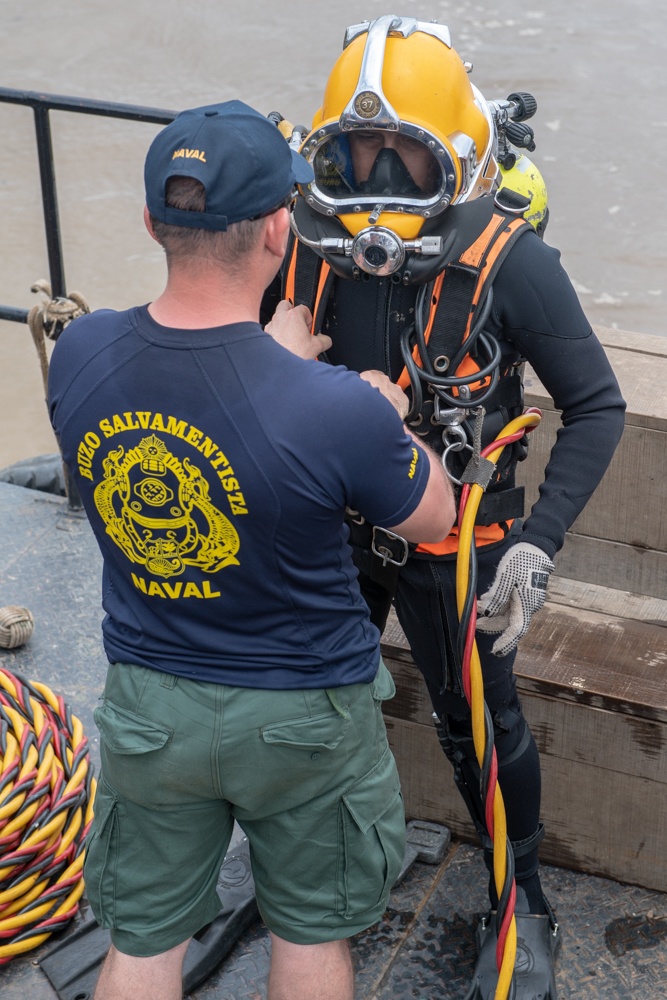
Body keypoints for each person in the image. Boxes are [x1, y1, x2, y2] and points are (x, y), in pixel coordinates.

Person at [47, 100, 456, 1000]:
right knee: (310, 937)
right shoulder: (329, 406)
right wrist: (383, 416)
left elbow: (189, 400)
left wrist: (273, 364)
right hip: (302, 717)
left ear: (151, 219)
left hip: (151, 710)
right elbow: (433, 516)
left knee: (144, 941)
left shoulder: (77, 352)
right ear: (280, 230)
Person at [262, 15, 626, 1000]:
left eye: (403, 164)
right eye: (353, 157)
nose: (376, 192)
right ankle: (304, 876)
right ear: (317, 157)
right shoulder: (298, 252)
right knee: (305, 704)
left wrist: (538, 544)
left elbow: (596, 404)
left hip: (460, 539)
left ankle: (524, 905)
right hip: (333, 527)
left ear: (455, 166)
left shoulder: (514, 265)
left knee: (482, 730)